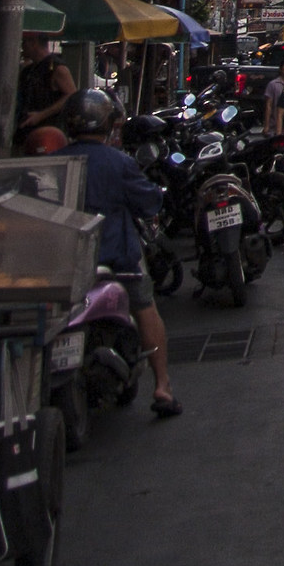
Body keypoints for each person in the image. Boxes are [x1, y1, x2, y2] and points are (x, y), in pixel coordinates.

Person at [62, 90, 181, 417]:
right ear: (108, 124)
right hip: (117, 260)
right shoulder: (119, 162)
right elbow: (149, 203)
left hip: (67, 263)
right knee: (145, 307)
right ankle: (162, 385)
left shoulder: (58, 162)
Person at [15, 36, 76, 150]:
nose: (22, 47)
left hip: (49, 132)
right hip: (25, 131)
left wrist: (41, 115)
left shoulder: (57, 68)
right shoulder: (28, 71)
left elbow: (71, 95)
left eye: (25, 42)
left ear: (34, 42)